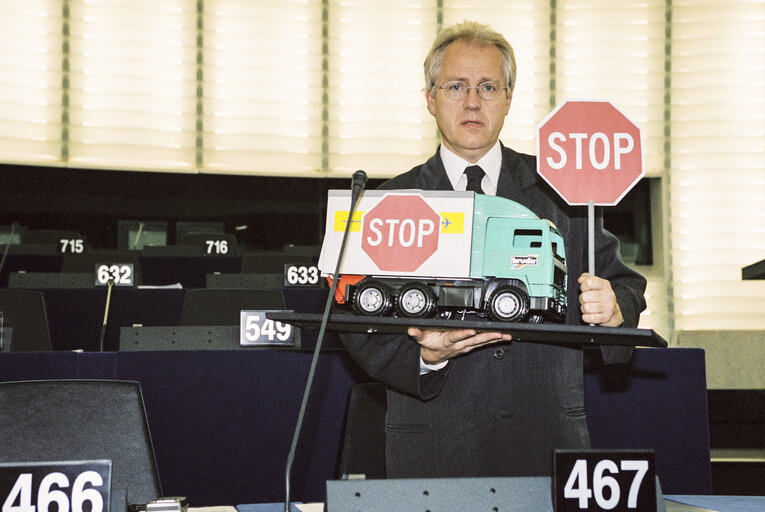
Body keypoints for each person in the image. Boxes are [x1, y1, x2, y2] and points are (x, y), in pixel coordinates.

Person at [339, 20, 647, 478]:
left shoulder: (561, 187)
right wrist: (424, 356)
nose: (472, 101)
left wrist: (615, 309)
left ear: (508, 100)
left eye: (488, 87)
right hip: (433, 447)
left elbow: (624, 285)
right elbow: (354, 317)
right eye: (456, 86)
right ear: (430, 99)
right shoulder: (390, 201)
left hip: (546, 443)